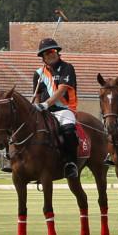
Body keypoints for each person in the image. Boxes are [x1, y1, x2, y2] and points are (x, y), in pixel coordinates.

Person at [31, 37, 80, 179]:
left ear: (57, 52)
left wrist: (46, 104)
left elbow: (62, 91)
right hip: (44, 111)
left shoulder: (67, 68)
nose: (50, 54)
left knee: (69, 130)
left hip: (64, 109)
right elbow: (37, 95)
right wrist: (37, 108)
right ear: (43, 57)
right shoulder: (38, 73)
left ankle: (71, 163)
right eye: (47, 53)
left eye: (53, 51)